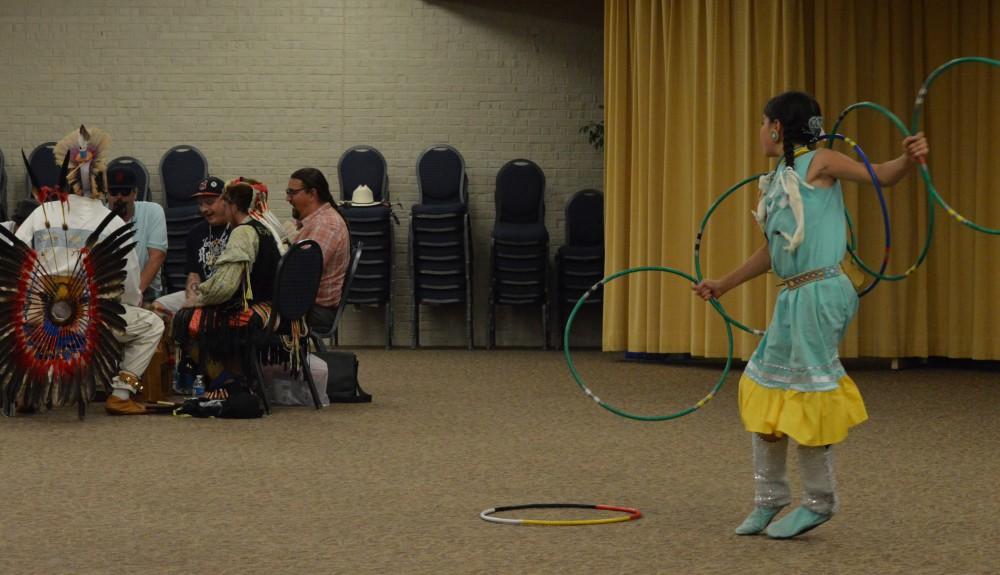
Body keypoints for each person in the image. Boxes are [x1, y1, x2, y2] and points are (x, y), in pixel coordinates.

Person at [692, 91, 929, 539]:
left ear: (778, 128)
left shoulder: (819, 162)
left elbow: (880, 176)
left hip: (821, 292)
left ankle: (820, 501)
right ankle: (770, 498)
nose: (760, 131)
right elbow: (773, 250)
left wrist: (907, 160)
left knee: (807, 394)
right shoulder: (778, 175)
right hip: (792, 296)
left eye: (764, 123)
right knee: (764, 388)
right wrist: (722, 283)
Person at [16, 125, 164, 415]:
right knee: (151, 324)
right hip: (90, 320)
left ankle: (27, 389)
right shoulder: (111, 222)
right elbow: (131, 281)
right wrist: (130, 304)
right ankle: (121, 393)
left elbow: (13, 258)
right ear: (102, 185)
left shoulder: (42, 213)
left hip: (38, 318)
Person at [173, 181, 281, 372]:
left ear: (230, 204)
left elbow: (225, 287)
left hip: (257, 308)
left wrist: (198, 301)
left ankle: (222, 380)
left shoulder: (242, 233)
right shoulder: (264, 227)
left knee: (187, 319)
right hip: (272, 304)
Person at [284, 167, 350, 332]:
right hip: (310, 303)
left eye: (292, 193)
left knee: (252, 315)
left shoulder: (326, 225)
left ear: (312, 194)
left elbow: (302, 274)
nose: (287, 198)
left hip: (316, 310)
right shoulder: (317, 221)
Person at [153, 176, 231, 314]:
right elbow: (194, 274)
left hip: (228, 297)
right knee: (156, 307)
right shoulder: (195, 233)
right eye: (200, 204)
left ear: (226, 201)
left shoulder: (238, 230)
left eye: (209, 202)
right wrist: (192, 299)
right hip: (202, 293)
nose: (204, 209)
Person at [106, 165, 167, 302]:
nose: (119, 197)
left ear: (135, 193)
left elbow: (157, 256)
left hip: (145, 290)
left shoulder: (153, 211)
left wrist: (136, 293)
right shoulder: (98, 215)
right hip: (108, 292)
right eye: (114, 192)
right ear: (107, 193)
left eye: (125, 191)